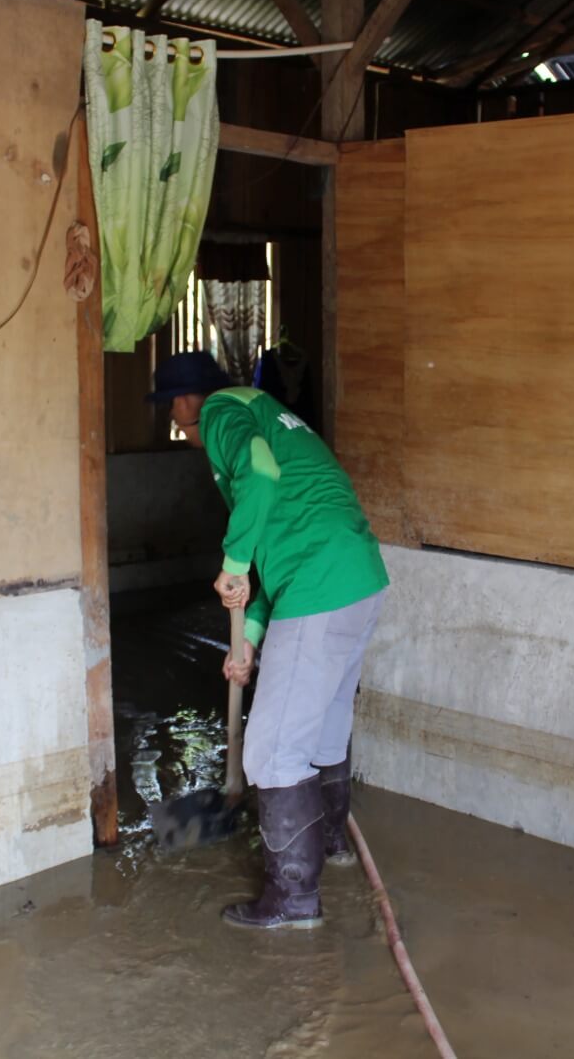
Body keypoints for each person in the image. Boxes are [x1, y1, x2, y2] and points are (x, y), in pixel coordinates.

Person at [147, 350, 390, 930]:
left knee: (273, 752)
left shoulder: (222, 416)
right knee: (324, 733)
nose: (180, 427)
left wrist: (231, 562)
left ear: (186, 403)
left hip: (317, 584)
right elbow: (267, 551)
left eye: (174, 412)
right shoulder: (266, 410)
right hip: (358, 578)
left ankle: (294, 899)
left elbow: (260, 474)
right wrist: (249, 639)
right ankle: (331, 844)